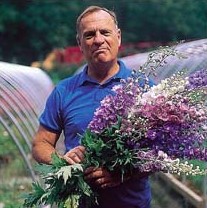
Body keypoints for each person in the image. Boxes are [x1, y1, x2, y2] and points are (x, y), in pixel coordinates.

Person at [32, 5, 151, 208]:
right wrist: (62, 160)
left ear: (118, 37)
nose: (98, 40)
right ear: (80, 43)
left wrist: (124, 172)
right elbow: (40, 144)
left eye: (105, 32)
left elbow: (160, 151)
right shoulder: (64, 91)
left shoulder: (144, 88)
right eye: (89, 35)